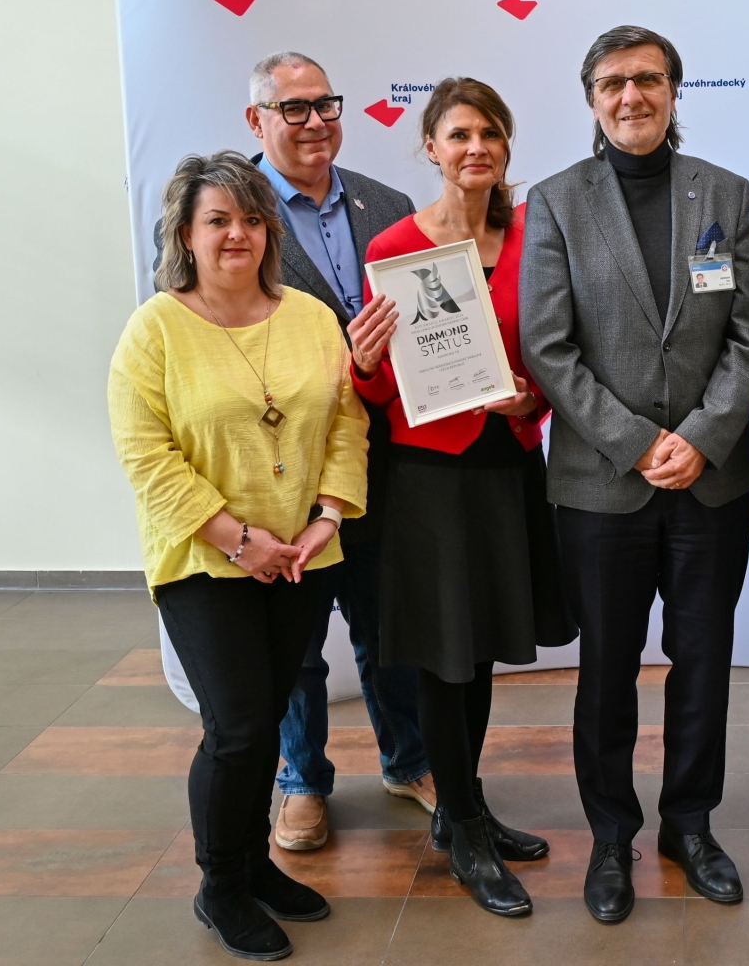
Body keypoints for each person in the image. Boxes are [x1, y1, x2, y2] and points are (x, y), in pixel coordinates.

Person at [520, 25, 749, 923]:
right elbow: (547, 346)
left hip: (710, 480)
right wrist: (634, 442)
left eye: (648, 80)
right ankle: (610, 836)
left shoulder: (723, 193)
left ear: (673, 89)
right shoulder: (554, 201)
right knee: (606, 671)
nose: (632, 96)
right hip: (600, 484)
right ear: (592, 97)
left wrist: (700, 437)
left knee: (702, 663)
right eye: (613, 82)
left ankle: (689, 825)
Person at [109, 151, 370, 961]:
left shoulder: (310, 317)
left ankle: (256, 865)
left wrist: (327, 517)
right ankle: (219, 884)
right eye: (217, 220)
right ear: (185, 234)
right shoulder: (156, 327)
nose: (237, 235)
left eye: (252, 219)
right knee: (238, 726)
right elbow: (146, 455)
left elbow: (345, 422)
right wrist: (237, 538)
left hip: (300, 555)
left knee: (269, 716)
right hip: (204, 560)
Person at [346, 78, 576, 917]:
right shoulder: (395, 248)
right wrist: (364, 363)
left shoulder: (532, 240)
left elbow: (553, 354)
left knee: (478, 654)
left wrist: (531, 401)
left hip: (506, 468)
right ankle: (464, 827)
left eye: (489, 134)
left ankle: (463, 808)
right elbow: (377, 391)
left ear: (505, 147)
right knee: (444, 658)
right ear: (431, 149)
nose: (475, 147)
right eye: (458, 135)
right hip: (428, 478)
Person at [244, 52, 432, 851]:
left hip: (383, 453)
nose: (315, 121)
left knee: (387, 622)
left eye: (326, 104)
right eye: (294, 108)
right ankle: (301, 781)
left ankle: (409, 759)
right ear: (256, 120)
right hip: (279, 461)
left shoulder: (385, 204)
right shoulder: (229, 212)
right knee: (295, 640)